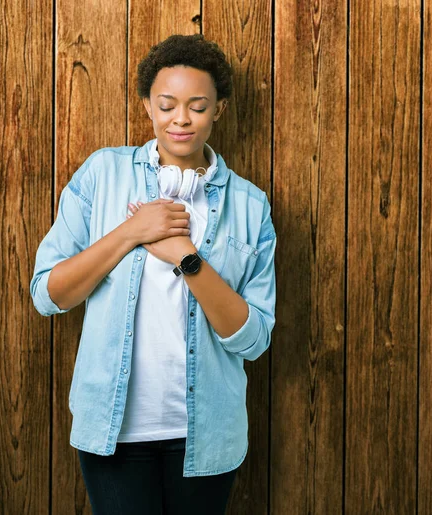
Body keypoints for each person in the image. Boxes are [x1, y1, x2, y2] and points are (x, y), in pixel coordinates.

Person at [30, 34, 277, 514]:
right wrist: (132, 232)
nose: (180, 119)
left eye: (197, 106)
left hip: (207, 437)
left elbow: (253, 340)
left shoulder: (250, 205)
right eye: (166, 105)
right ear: (148, 106)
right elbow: (48, 294)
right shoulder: (102, 174)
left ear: (218, 110)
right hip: (114, 432)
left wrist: (187, 258)